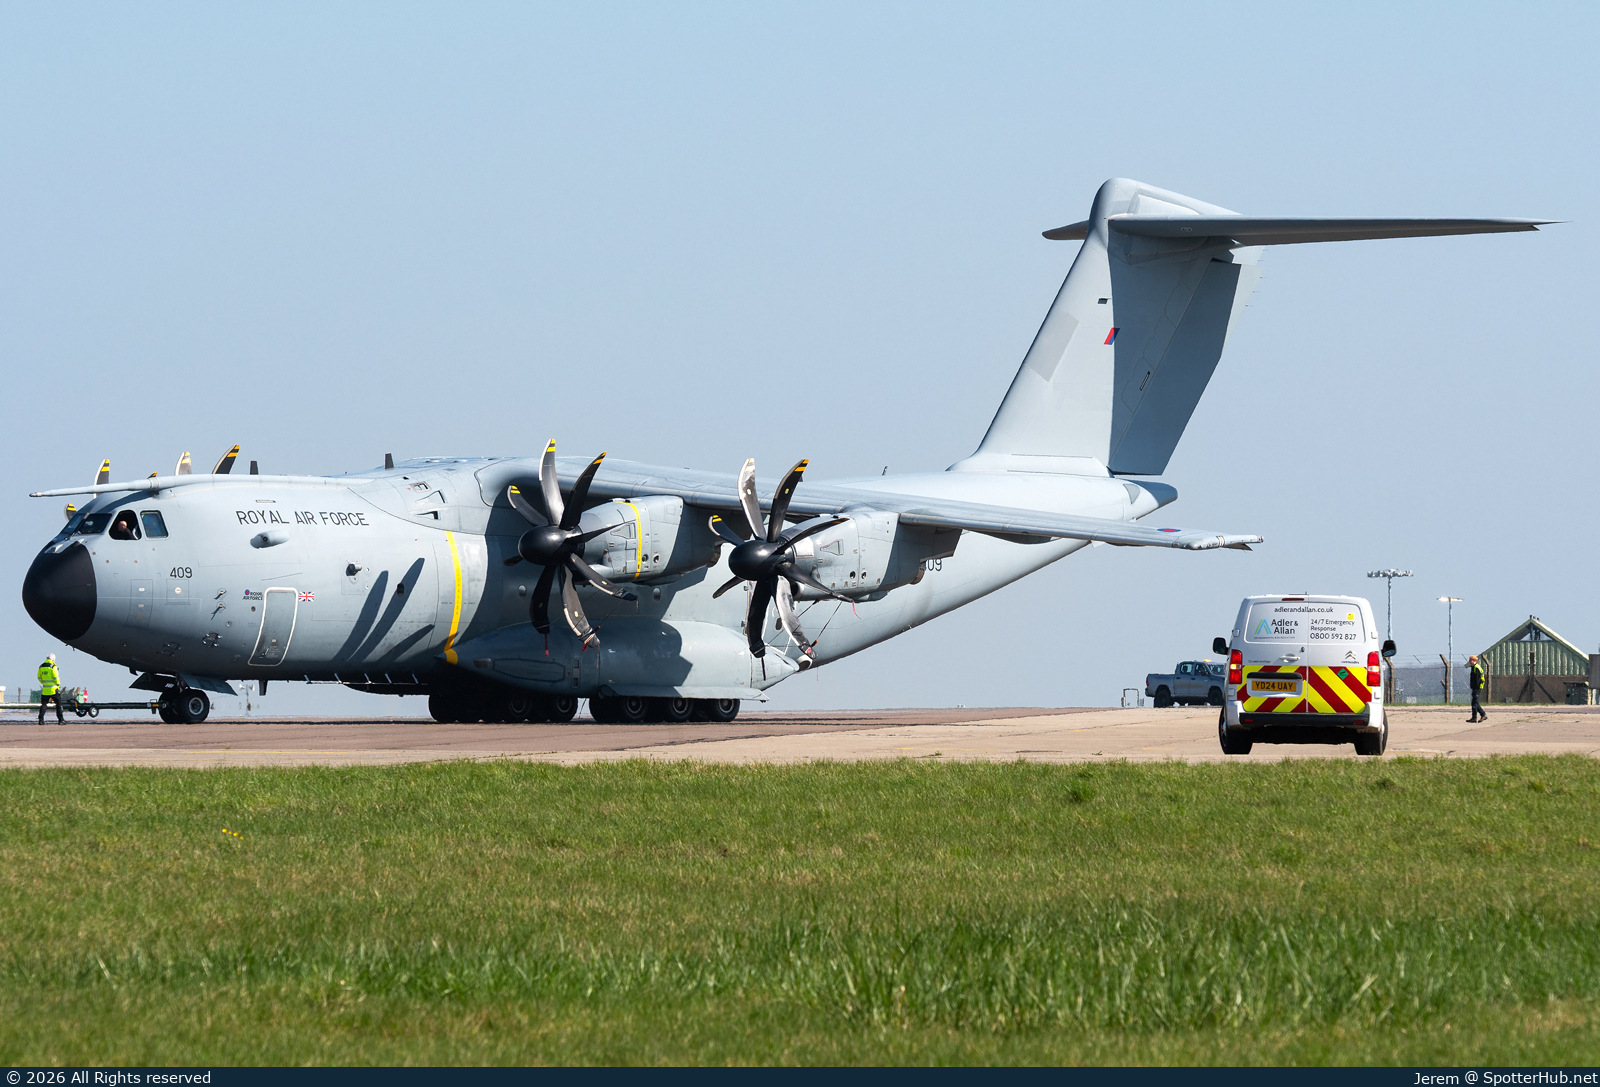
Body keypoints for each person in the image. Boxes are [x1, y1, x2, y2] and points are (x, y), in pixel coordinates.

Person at [37, 654, 64, 725]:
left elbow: (39, 677)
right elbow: (55, 677)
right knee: (58, 704)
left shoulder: (41, 666)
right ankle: (61, 720)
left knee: (44, 705)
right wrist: (58, 684)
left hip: (45, 689)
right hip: (53, 689)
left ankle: (40, 720)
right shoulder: (53, 667)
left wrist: (44, 682)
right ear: (53, 659)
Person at [1467, 654, 1488, 723]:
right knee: (1475, 702)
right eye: (1469, 660)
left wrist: (1475, 688)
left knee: (1474, 703)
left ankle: (1474, 717)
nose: (1470, 661)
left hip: (1478, 687)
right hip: (1475, 687)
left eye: (1471, 660)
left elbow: (1477, 679)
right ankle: (1483, 714)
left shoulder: (1476, 668)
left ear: (1474, 660)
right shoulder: (1473, 667)